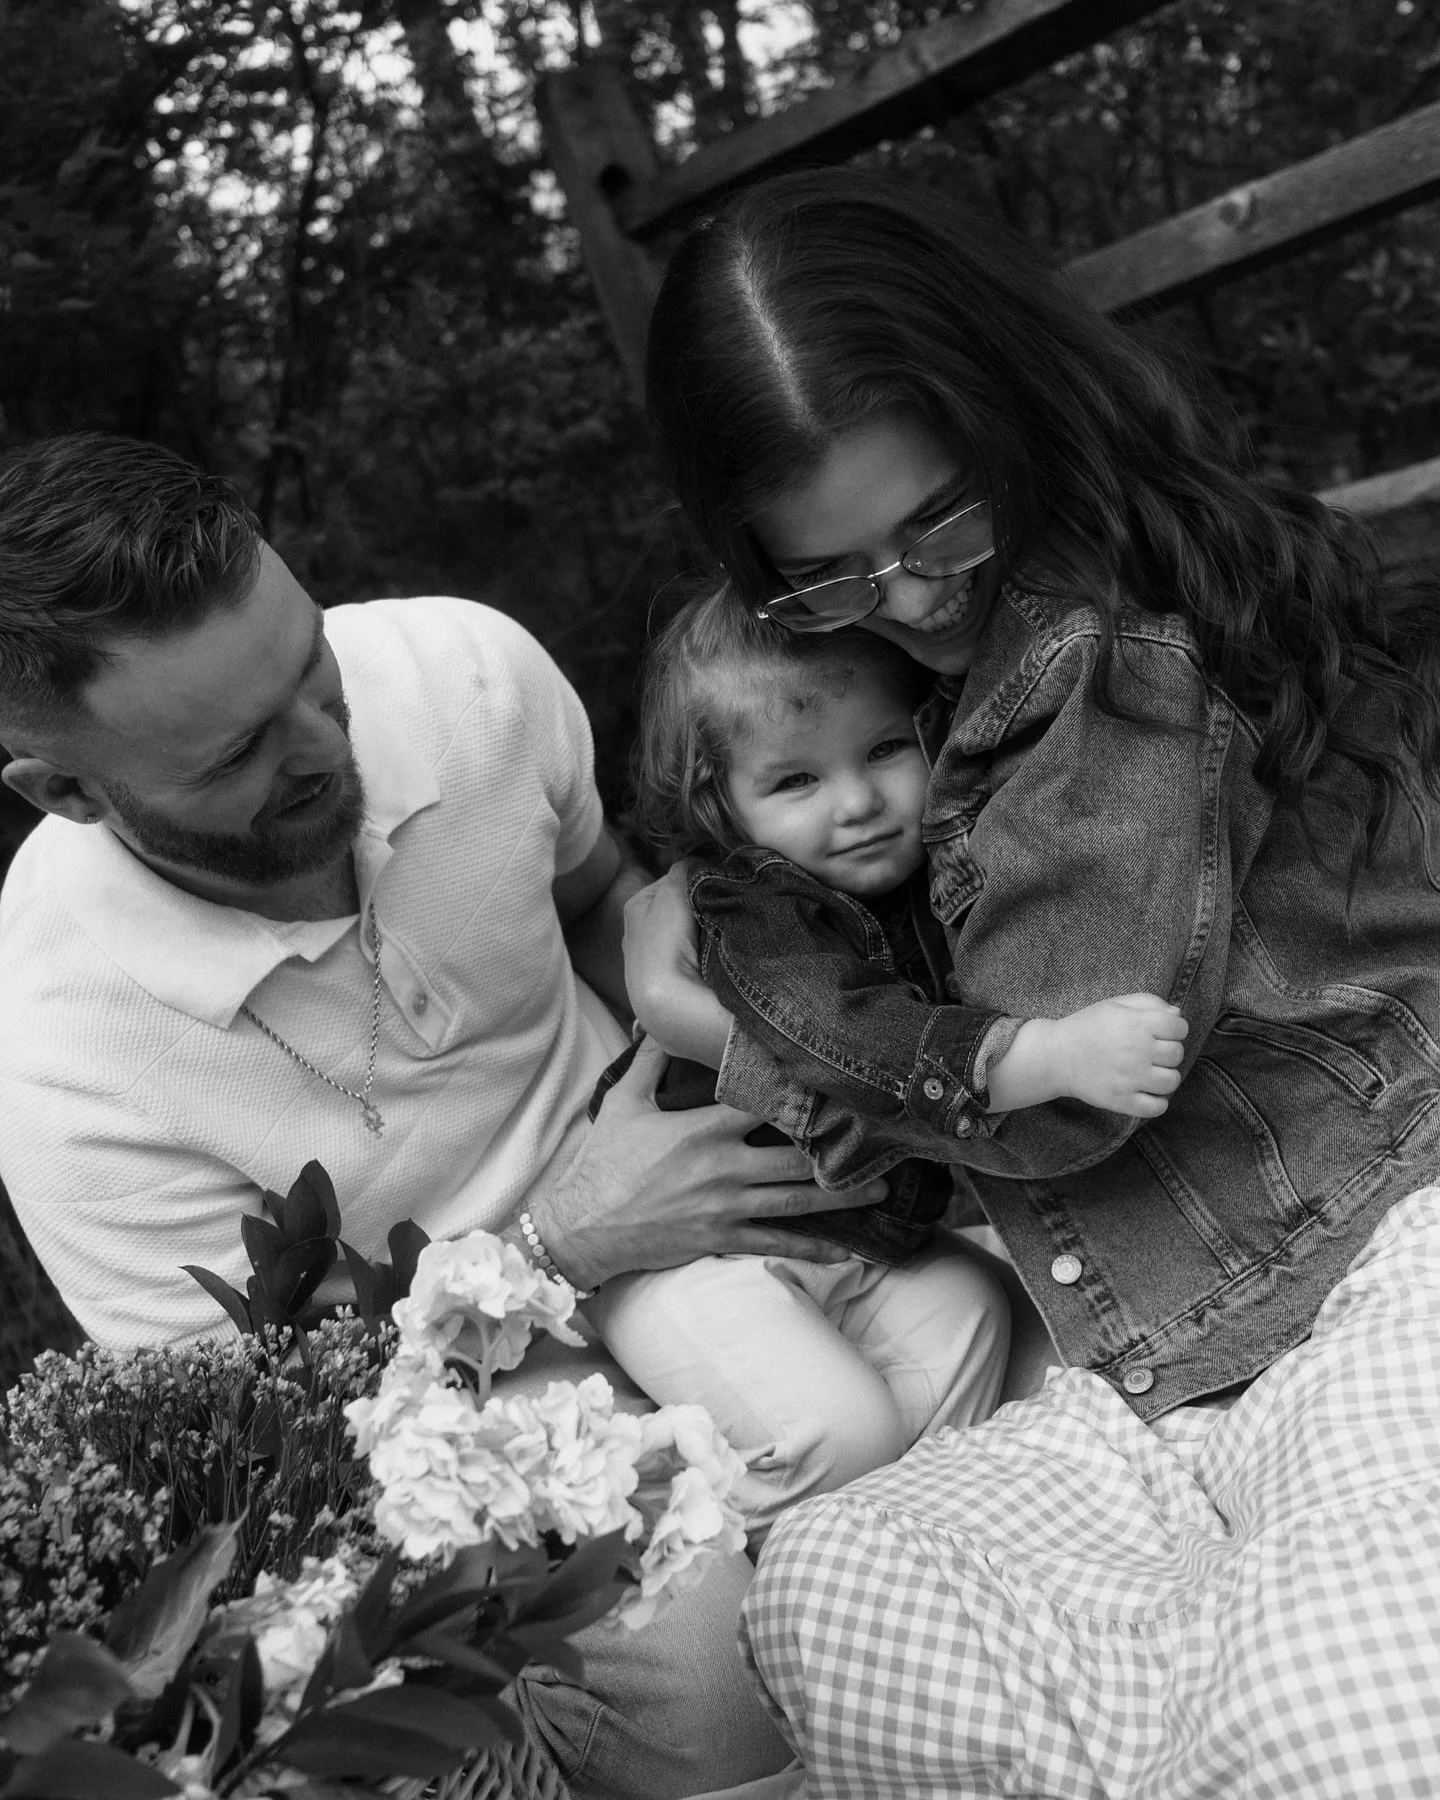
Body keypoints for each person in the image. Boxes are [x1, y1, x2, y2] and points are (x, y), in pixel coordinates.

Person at [623, 165, 1440, 1789]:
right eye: (836, 576)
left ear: (1018, 408)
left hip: (1365, 1255)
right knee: (843, 1589)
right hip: (1184, 1337)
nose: (914, 599)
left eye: (942, 518)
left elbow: (1049, 1099)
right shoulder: (930, 679)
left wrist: (714, 1020)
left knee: (1326, 1717)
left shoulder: (1103, 664)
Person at [0, 431, 888, 1800]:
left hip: (679, 1164)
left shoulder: (464, 673)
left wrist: (743, 1047)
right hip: (451, 1404)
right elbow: (268, 1447)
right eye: (238, 753)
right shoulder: (63, 1068)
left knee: (973, 1340)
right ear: (67, 792)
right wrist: (557, 1248)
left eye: (310, 669)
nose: (326, 746)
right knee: (716, 1665)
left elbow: (598, 897)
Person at [589, 586, 1186, 1537]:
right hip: (692, 1250)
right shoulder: (752, 906)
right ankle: (639, 1527)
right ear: (719, 802)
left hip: (847, 1242)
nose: (859, 804)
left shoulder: (928, 873)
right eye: (796, 781)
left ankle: (903, 1539)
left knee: (978, 1309)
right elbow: (846, 1040)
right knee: (846, 1431)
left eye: (882, 750)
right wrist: (1039, 1056)